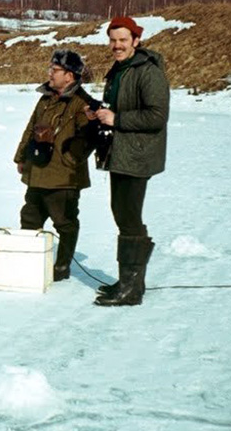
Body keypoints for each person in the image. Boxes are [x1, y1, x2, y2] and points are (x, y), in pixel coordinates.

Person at [88, 16, 170, 306]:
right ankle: (129, 281)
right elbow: (117, 105)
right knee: (122, 213)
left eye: (122, 40)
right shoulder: (119, 70)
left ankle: (131, 289)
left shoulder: (148, 72)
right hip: (119, 153)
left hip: (137, 155)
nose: (117, 45)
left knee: (129, 216)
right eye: (112, 40)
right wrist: (100, 112)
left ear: (136, 40)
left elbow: (157, 116)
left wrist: (117, 119)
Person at [14, 49, 95, 282]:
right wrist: (21, 157)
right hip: (37, 170)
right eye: (51, 68)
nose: (50, 73)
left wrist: (70, 161)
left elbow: (88, 139)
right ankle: (29, 262)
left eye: (55, 69)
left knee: (65, 222)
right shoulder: (46, 98)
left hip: (64, 177)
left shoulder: (83, 103)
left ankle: (61, 266)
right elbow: (31, 128)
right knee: (30, 218)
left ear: (69, 76)